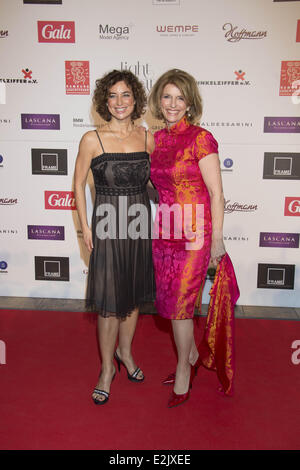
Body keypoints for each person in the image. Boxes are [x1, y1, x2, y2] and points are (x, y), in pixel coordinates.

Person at [74, 70, 155, 405]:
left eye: (126, 95)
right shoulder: (93, 139)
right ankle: (107, 369)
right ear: (103, 101)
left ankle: (126, 352)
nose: (119, 102)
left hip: (138, 221)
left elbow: (155, 182)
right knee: (109, 305)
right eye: (112, 96)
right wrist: (87, 227)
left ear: (135, 99)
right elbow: (78, 185)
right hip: (107, 222)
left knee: (133, 296)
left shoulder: (147, 137)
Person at [148, 69, 226, 408]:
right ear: (158, 101)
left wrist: (218, 239)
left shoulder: (201, 138)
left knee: (181, 307)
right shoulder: (154, 139)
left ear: (190, 103)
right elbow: (156, 186)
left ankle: (183, 369)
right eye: (167, 96)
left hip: (195, 233)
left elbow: (216, 194)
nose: (173, 103)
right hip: (164, 229)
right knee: (169, 305)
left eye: (180, 97)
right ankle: (192, 355)